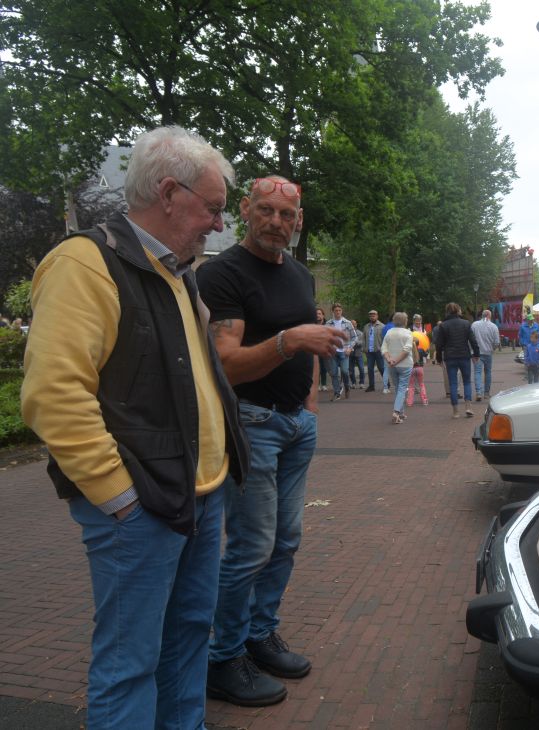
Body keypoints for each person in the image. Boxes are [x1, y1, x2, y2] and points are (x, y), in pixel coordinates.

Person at [20, 125, 250, 729]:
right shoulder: (84, 263)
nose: (218, 224)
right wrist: (119, 498)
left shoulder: (176, 270)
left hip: (198, 495)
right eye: (213, 208)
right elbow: (53, 395)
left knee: (188, 639)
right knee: (130, 662)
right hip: (143, 503)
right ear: (169, 193)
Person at [198, 175, 345, 706]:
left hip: (296, 425)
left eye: (287, 215)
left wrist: (310, 404)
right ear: (245, 209)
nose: (276, 222)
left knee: (285, 541)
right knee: (251, 547)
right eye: (266, 210)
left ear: (298, 220)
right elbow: (226, 366)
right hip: (251, 424)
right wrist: (289, 341)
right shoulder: (221, 273)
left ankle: (259, 635)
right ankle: (223, 658)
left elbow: (313, 347)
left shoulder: (301, 275)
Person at [432, 302, 480, 418]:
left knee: (453, 384)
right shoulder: (466, 323)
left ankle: (456, 411)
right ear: (458, 310)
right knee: (467, 382)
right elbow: (473, 340)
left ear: (447, 311)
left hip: (450, 357)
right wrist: (476, 354)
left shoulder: (443, 325)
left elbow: (439, 344)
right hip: (464, 356)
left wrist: (439, 358)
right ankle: (468, 407)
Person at [381, 312, 415, 423]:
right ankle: (396, 412)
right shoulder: (408, 333)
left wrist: (389, 359)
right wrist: (397, 360)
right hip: (405, 364)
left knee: (397, 388)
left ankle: (401, 412)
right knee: (402, 388)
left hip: (391, 364)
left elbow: (384, 348)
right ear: (405, 321)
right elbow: (407, 349)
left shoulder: (389, 332)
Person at [327, 303, 356, 401]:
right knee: (334, 373)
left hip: (344, 351)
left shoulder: (348, 323)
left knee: (344, 371)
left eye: (339, 310)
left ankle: (347, 387)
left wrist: (349, 348)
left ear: (342, 311)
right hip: (333, 352)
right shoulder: (328, 324)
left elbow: (354, 337)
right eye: (336, 310)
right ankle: (337, 392)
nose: (338, 312)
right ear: (333, 311)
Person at [470, 308, 501, 400]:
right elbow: (496, 342)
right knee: (488, 372)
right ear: (489, 316)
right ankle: (486, 393)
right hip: (488, 352)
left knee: (477, 372)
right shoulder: (494, 326)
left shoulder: (474, 325)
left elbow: (470, 339)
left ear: (482, 316)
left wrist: (471, 351)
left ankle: (478, 392)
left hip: (477, 353)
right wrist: (492, 349)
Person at [362, 310, 386, 392]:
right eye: (371, 316)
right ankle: (371, 386)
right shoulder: (366, 326)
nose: (372, 317)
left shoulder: (382, 326)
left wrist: (384, 349)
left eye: (374, 315)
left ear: (377, 316)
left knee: (381, 368)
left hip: (379, 350)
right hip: (369, 351)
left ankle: (387, 383)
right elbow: (363, 338)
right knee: (370, 369)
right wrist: (364, 348)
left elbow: (385, 339)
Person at [407, 327, 430, 407]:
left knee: (411, 386)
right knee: (421, 384)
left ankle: (409, 402)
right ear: (418, 343)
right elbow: (426, 354)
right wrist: (427, 349)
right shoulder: (421, 350)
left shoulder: (408, 350)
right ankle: (424, 401)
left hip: (411, 369)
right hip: (420, 368)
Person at [315, 307, 330, 392]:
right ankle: (317, 385)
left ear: (323, 315)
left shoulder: (327, 325)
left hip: (324, 349)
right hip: (314, 350)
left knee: (324, 368)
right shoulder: (312, 325)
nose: (318, 315)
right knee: (316, 368)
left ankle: (324, 384)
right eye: (316, 314)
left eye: (319, 314)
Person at [348, 317, 365, 387]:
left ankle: (362, 383)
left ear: (356, 324)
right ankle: (353, 383)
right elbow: (346, 343)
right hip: (350, 354)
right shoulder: (347, 333)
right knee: (351, 369)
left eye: (354, 324)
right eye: (351, 324)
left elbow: (362, 343)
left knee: (361, 368)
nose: (353, 325)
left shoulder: (360, 333)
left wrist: (354, 342)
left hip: (358, 353)